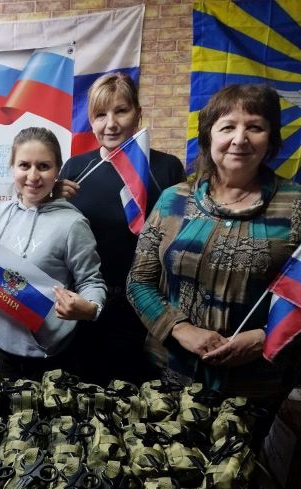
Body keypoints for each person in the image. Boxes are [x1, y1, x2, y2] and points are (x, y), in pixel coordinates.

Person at [126, 83, 301, 414]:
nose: (240, 139)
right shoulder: (173, 200)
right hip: (170, 375)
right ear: (208, 136)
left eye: (255, 127)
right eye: (227, 127)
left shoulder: (300, 205)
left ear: (271, 138)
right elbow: (138, 281)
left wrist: (264, 337)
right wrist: (180, 328)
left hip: (257, 383)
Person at [59, 73, 186, 386]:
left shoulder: (166, 168)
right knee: (82, 387)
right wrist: (51, 199)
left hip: (143, 304)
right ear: (91, 121)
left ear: (137, 113)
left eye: (121, 111)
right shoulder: (75, 168)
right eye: (100, 115)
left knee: (133, 390)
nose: (111, 124)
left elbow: (181, 236)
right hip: (86, 301)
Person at [0, 127, 106, 381]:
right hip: (2, 346)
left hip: (51, 354)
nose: (33, 176)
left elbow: (92, 281)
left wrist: (89, 308)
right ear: (12, 167)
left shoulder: (72, 224)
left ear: (57, 171)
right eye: (24, 165)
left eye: (43, 166)